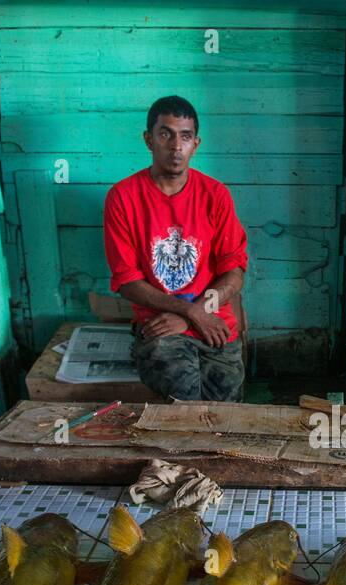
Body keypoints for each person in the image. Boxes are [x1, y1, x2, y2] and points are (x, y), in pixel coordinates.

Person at [103, 95, 249, 401]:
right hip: (160, 323)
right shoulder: (123, 197)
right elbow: (127, 282)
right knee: (183, 396)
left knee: (226, 399)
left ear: (196, 144)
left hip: (214, 319)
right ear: (149, 140)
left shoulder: (215, 195)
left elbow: (233, 274)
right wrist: (188, 312)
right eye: (165, 134)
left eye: (184, 136)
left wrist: (196, 313)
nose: (175, 146)